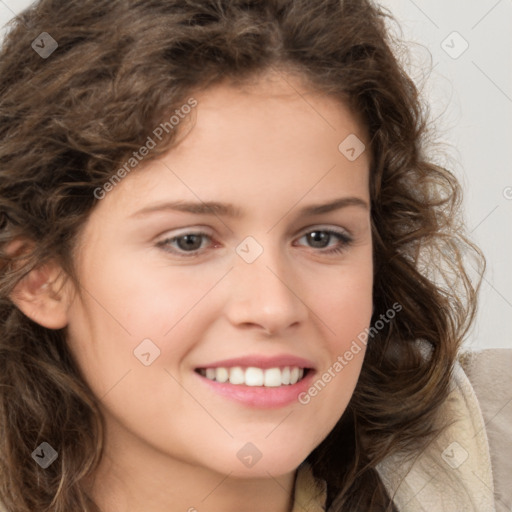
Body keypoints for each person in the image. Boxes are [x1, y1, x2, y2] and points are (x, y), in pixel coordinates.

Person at [0, 1, 510, 511]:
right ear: (37, 276)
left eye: (320, 237)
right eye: (190, 241)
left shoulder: (493, 440)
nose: (273, 307)